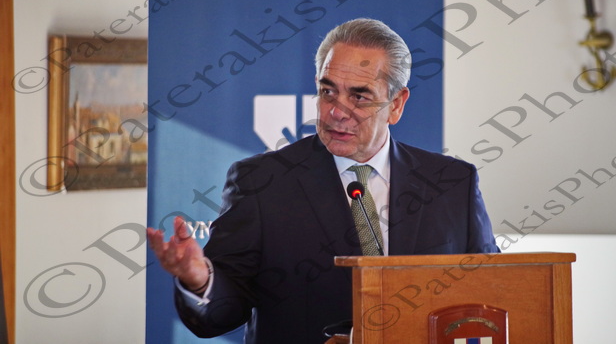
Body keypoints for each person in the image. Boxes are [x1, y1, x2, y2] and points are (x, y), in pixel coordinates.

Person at [147, 18, 500, 344]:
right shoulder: (261, 182)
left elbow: (492, 294)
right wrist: (200, 279)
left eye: (358, 96)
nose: (336, 111)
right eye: (328, 92)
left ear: (396, 104)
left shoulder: (453, 183)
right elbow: (224, 312)